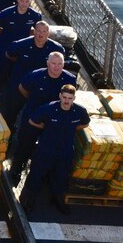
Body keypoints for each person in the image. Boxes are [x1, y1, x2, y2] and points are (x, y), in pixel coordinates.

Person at [19, 85, 89, 214]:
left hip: (65, 151)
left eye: (70, 98)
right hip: (46, 149)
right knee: (36, 174)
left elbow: (85, 123)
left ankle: (57, 199)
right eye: (64, 97)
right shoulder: (48, 109)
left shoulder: (79, 111)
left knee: (61, 176)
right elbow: (32, 120)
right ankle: (28, 199)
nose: (67, 101)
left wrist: (71, 128)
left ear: (74, 98)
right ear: (60, 96)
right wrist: (45, 126)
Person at [9, 52, 77, 183]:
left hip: (54, 118)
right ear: (47, 63)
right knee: (25, 143)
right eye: (53, 63)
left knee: (50, 145)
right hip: (33, 115)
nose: (56, 67)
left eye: (60, 64)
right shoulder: (36, 76)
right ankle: (18, 167)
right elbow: (22, 88)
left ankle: (43, 171)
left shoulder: (69, 79)